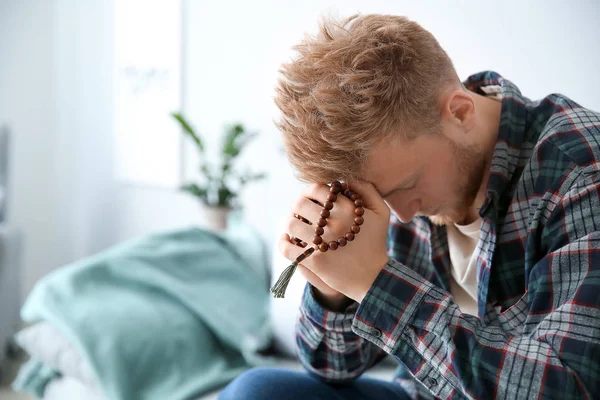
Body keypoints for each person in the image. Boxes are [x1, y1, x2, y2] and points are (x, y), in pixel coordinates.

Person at [219, 13, 600, 400]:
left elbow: (566, 389)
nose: (400, 215)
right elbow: (331, 369)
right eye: (382, 196)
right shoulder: (395, 178)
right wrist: (333, 288)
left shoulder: (581, 169)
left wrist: (375, 282)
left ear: (460, 112)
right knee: (256, 390)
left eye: (407, 185)